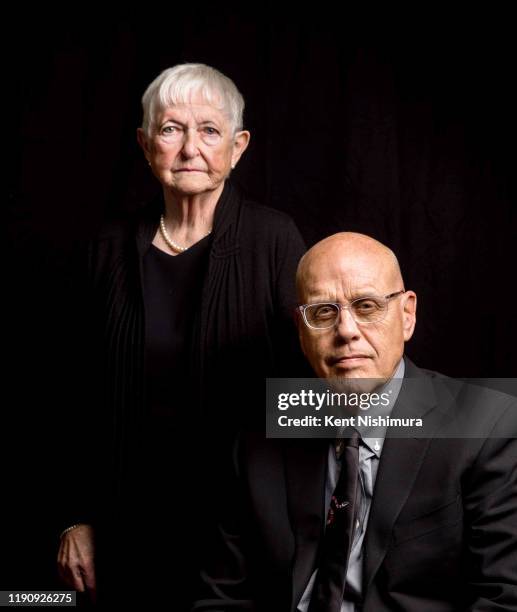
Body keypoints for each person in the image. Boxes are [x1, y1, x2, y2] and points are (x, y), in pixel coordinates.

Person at [56, 63, 306, 607]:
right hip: (127, 526)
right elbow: (73, 395)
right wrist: (75, 517)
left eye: (209, 130)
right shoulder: (106, 248)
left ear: (238, 147)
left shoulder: (274, 240)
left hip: (243, 534)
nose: (191, 147)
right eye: (171, 129)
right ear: (146, 146)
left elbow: (307, 382)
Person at [193, 232, 517, 611]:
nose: (346, 330)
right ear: (301, 329)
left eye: (366, 305)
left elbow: (504, 600)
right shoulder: (259, 436)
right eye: (323, 312)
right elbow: (224, 598)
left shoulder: (488, 424)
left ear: (407, 315)